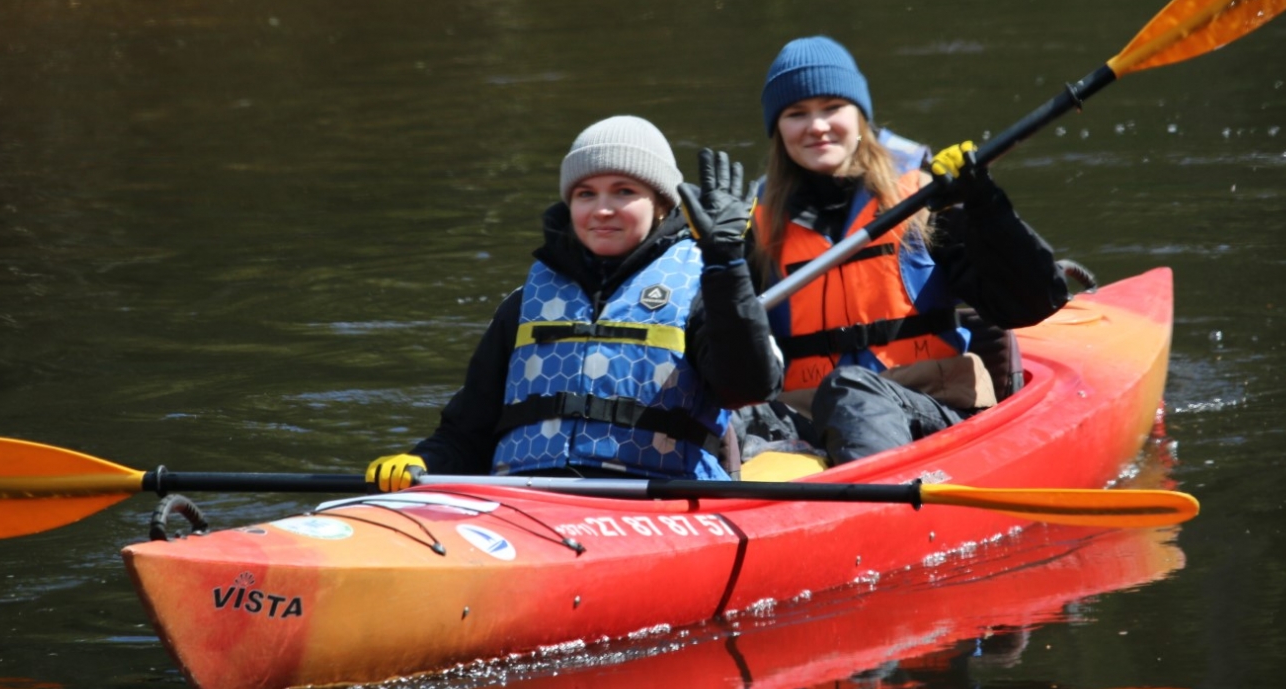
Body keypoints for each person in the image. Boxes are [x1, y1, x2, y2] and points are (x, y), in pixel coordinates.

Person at [367, 115, 782, 491]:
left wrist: (726, 267)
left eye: (624, 191)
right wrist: (423, 460)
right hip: (528, 501)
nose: (602, 209)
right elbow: (466, 433)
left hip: (659, 502)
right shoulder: (524, 305)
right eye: (586, 194)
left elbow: (748, 385)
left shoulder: (703, 292)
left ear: (661, 205)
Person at [740, 35, 1068, 465]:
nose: (816, 126)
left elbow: (1035, 300)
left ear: (860, 116)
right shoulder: (755, 222)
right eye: (796, 114)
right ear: (777, 129)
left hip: (932, 406)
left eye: (832, 108)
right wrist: (714, 255)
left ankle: (879, 516)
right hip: (805, 422)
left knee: (852, 390)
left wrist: (983, 203)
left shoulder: (924, 196)